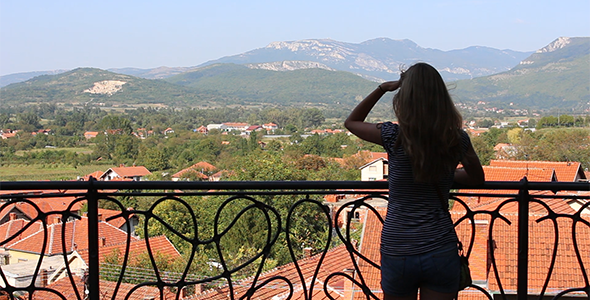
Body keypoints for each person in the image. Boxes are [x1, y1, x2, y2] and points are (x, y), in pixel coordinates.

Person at [344, 62, 484, 300]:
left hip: (399, 248)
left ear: (404, 98)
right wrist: (446, 176)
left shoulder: (394, 136)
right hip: (440, 246)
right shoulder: (456, 138)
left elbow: (352, 122)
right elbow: (477, 179)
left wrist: (382, 88)